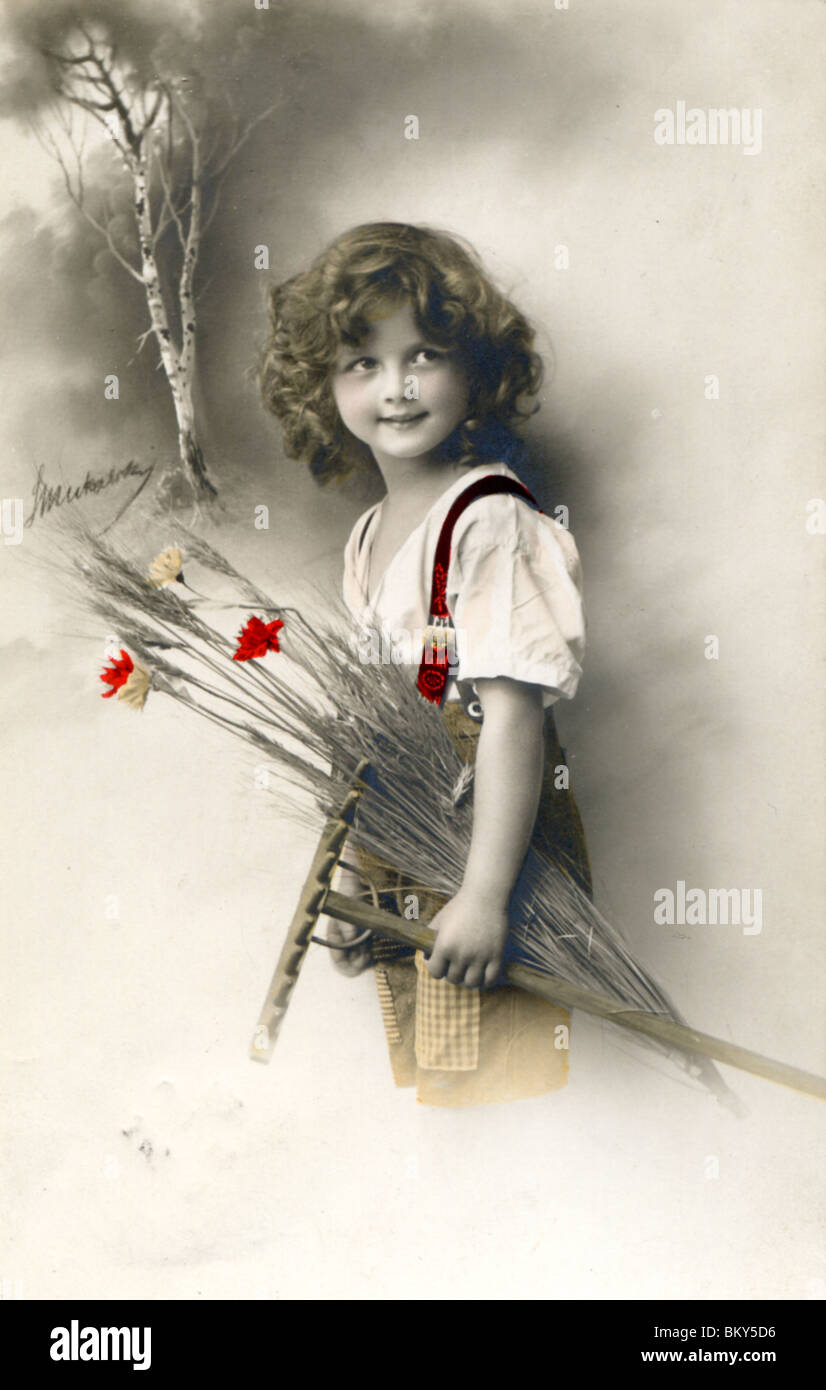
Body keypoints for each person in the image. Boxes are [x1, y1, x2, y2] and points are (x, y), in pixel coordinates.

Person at [260, 221, 592, 1106]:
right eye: (362, 363)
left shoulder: (486, 520)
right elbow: (372, 732)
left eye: (424, 356)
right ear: (321, 386)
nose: (396, 388)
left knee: (503, 1077)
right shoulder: (368, 539)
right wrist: (347, 881)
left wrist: (486, 897)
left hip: (489, 837)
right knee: (439, 1070)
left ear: (475, 370)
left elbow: (513, 719)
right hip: (406, 840)